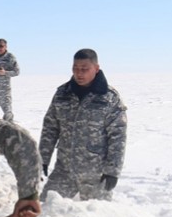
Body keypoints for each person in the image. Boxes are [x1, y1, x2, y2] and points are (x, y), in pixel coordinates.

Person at [39, 49, 128, 201]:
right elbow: (50, 129)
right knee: (46, 209)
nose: (79, 73)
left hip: (96, 175)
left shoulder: (109, 98)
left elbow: (118, 137)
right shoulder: (62, 94)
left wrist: (112, 171)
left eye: (84, 69)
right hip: (64, 171)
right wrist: (42, 159)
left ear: (96, 68)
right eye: (75, 68)